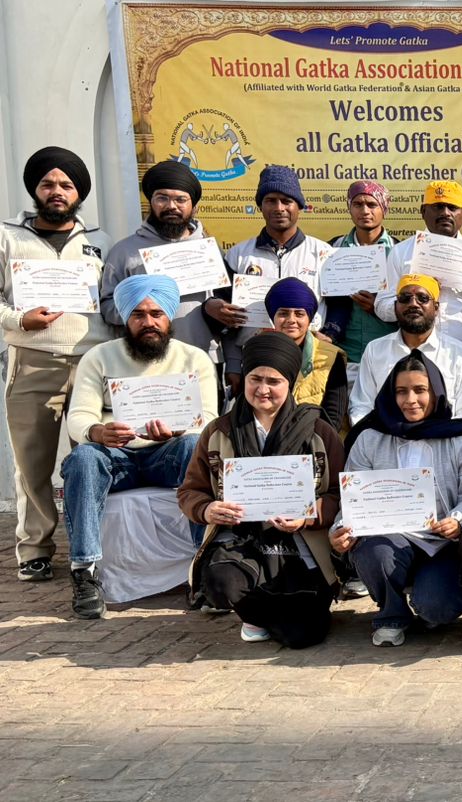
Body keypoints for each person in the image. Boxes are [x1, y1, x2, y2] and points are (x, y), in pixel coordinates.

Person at [61, 275, 218, 618]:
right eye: (138, 314)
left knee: (195, 445)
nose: (148, 322)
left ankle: (206, 567)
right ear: (125, 318)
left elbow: (209, 420)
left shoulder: (195, 359)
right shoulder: (98, 357)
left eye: (156, 314)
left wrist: (178, 430)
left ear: (169, 317)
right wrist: (98, 431)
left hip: (168, 454)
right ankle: (85, 572)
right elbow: (79, 417)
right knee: (83, 457)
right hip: (116, 458)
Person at [178, 332, 343, 647]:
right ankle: (254, 614)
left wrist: (307, 517)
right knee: (220, 583)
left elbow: (338, 493)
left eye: (274, 381)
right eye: (255, 379)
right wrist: (207, 509)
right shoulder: (219, 432)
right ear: (244, 379)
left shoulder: (318, 432)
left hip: (301, 541)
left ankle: (277, 615)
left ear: (290, 383)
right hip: (241, 539)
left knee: (301, 637)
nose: (263, 389)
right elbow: (190, 491)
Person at [2, 147, 111, 582]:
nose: (57, 191)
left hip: (92, 362)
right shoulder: (8, 237)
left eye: (66, 185)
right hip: (34, 362)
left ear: (79, 192)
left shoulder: (99, 241)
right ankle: (35, 549)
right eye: (48, 184)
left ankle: (96, 546)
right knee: (32, 462)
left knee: (95, 455)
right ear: (35, 189)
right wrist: (18, 320)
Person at [331, 352, 462, 647]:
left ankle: (430, 602)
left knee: (436, 608)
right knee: (374, 552)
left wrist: (457, 521)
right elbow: (353, 500)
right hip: (390, 537)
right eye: (401, 391)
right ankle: (392, 614)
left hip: (443, 545)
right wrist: (339, 530)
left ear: (436, 392)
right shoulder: (369, 439)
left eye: (420, 390)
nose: (410, 400)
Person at [212, 166, 332, 390]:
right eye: (271, 200)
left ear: (299, 206)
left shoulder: (323, 253)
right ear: (260, 206)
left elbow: (338, 305)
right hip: (254, 361)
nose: (279, 208)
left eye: (287, 201)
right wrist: (234, 364)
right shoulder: (238, 255)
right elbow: (228, 320)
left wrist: (330, 334)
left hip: (310, 361)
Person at [99, 161, 219, 360]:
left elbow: (227, 303)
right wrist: (140, 310)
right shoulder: (124, 252)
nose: (171, 206)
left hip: (201, 358)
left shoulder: (210, 251)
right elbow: (107, 307)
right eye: (162, 198)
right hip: (142, 360)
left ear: (194, 207)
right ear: (151, 202)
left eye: (180, 199)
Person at [375, 180, 462, 353]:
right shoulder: (400, 252)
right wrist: (410, 299)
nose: (445, 213)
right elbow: (381, 307)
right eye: (438, 207)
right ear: (423, 211)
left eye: (452, 207)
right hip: (415, 352)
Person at [352, 275, 462, 426]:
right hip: (384, 437)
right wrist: (375, 437)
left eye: (422, 298)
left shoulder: (461, 355)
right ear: (396, 306)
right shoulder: (375, 350)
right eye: (405, 298)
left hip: (445, 437)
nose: (413, 304)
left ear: (436, 308)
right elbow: (361, 407)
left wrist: (443, 437)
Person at [321, 181, 399, 373]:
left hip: (388, 355)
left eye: (372, 205)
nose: (364, 211)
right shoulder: (332, 249)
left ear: (384, 208)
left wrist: (379, 307)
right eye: (357, 204)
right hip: (342, 355)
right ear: (349, 207)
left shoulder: (399, 251)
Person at [266, 278, 348, 430]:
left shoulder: (330, 357)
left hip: (315, 439)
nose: (291, 320)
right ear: (273, 317)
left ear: (309, 318)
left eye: (299, 314)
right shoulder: (259, 352)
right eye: (283, 313)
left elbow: (333, 417)